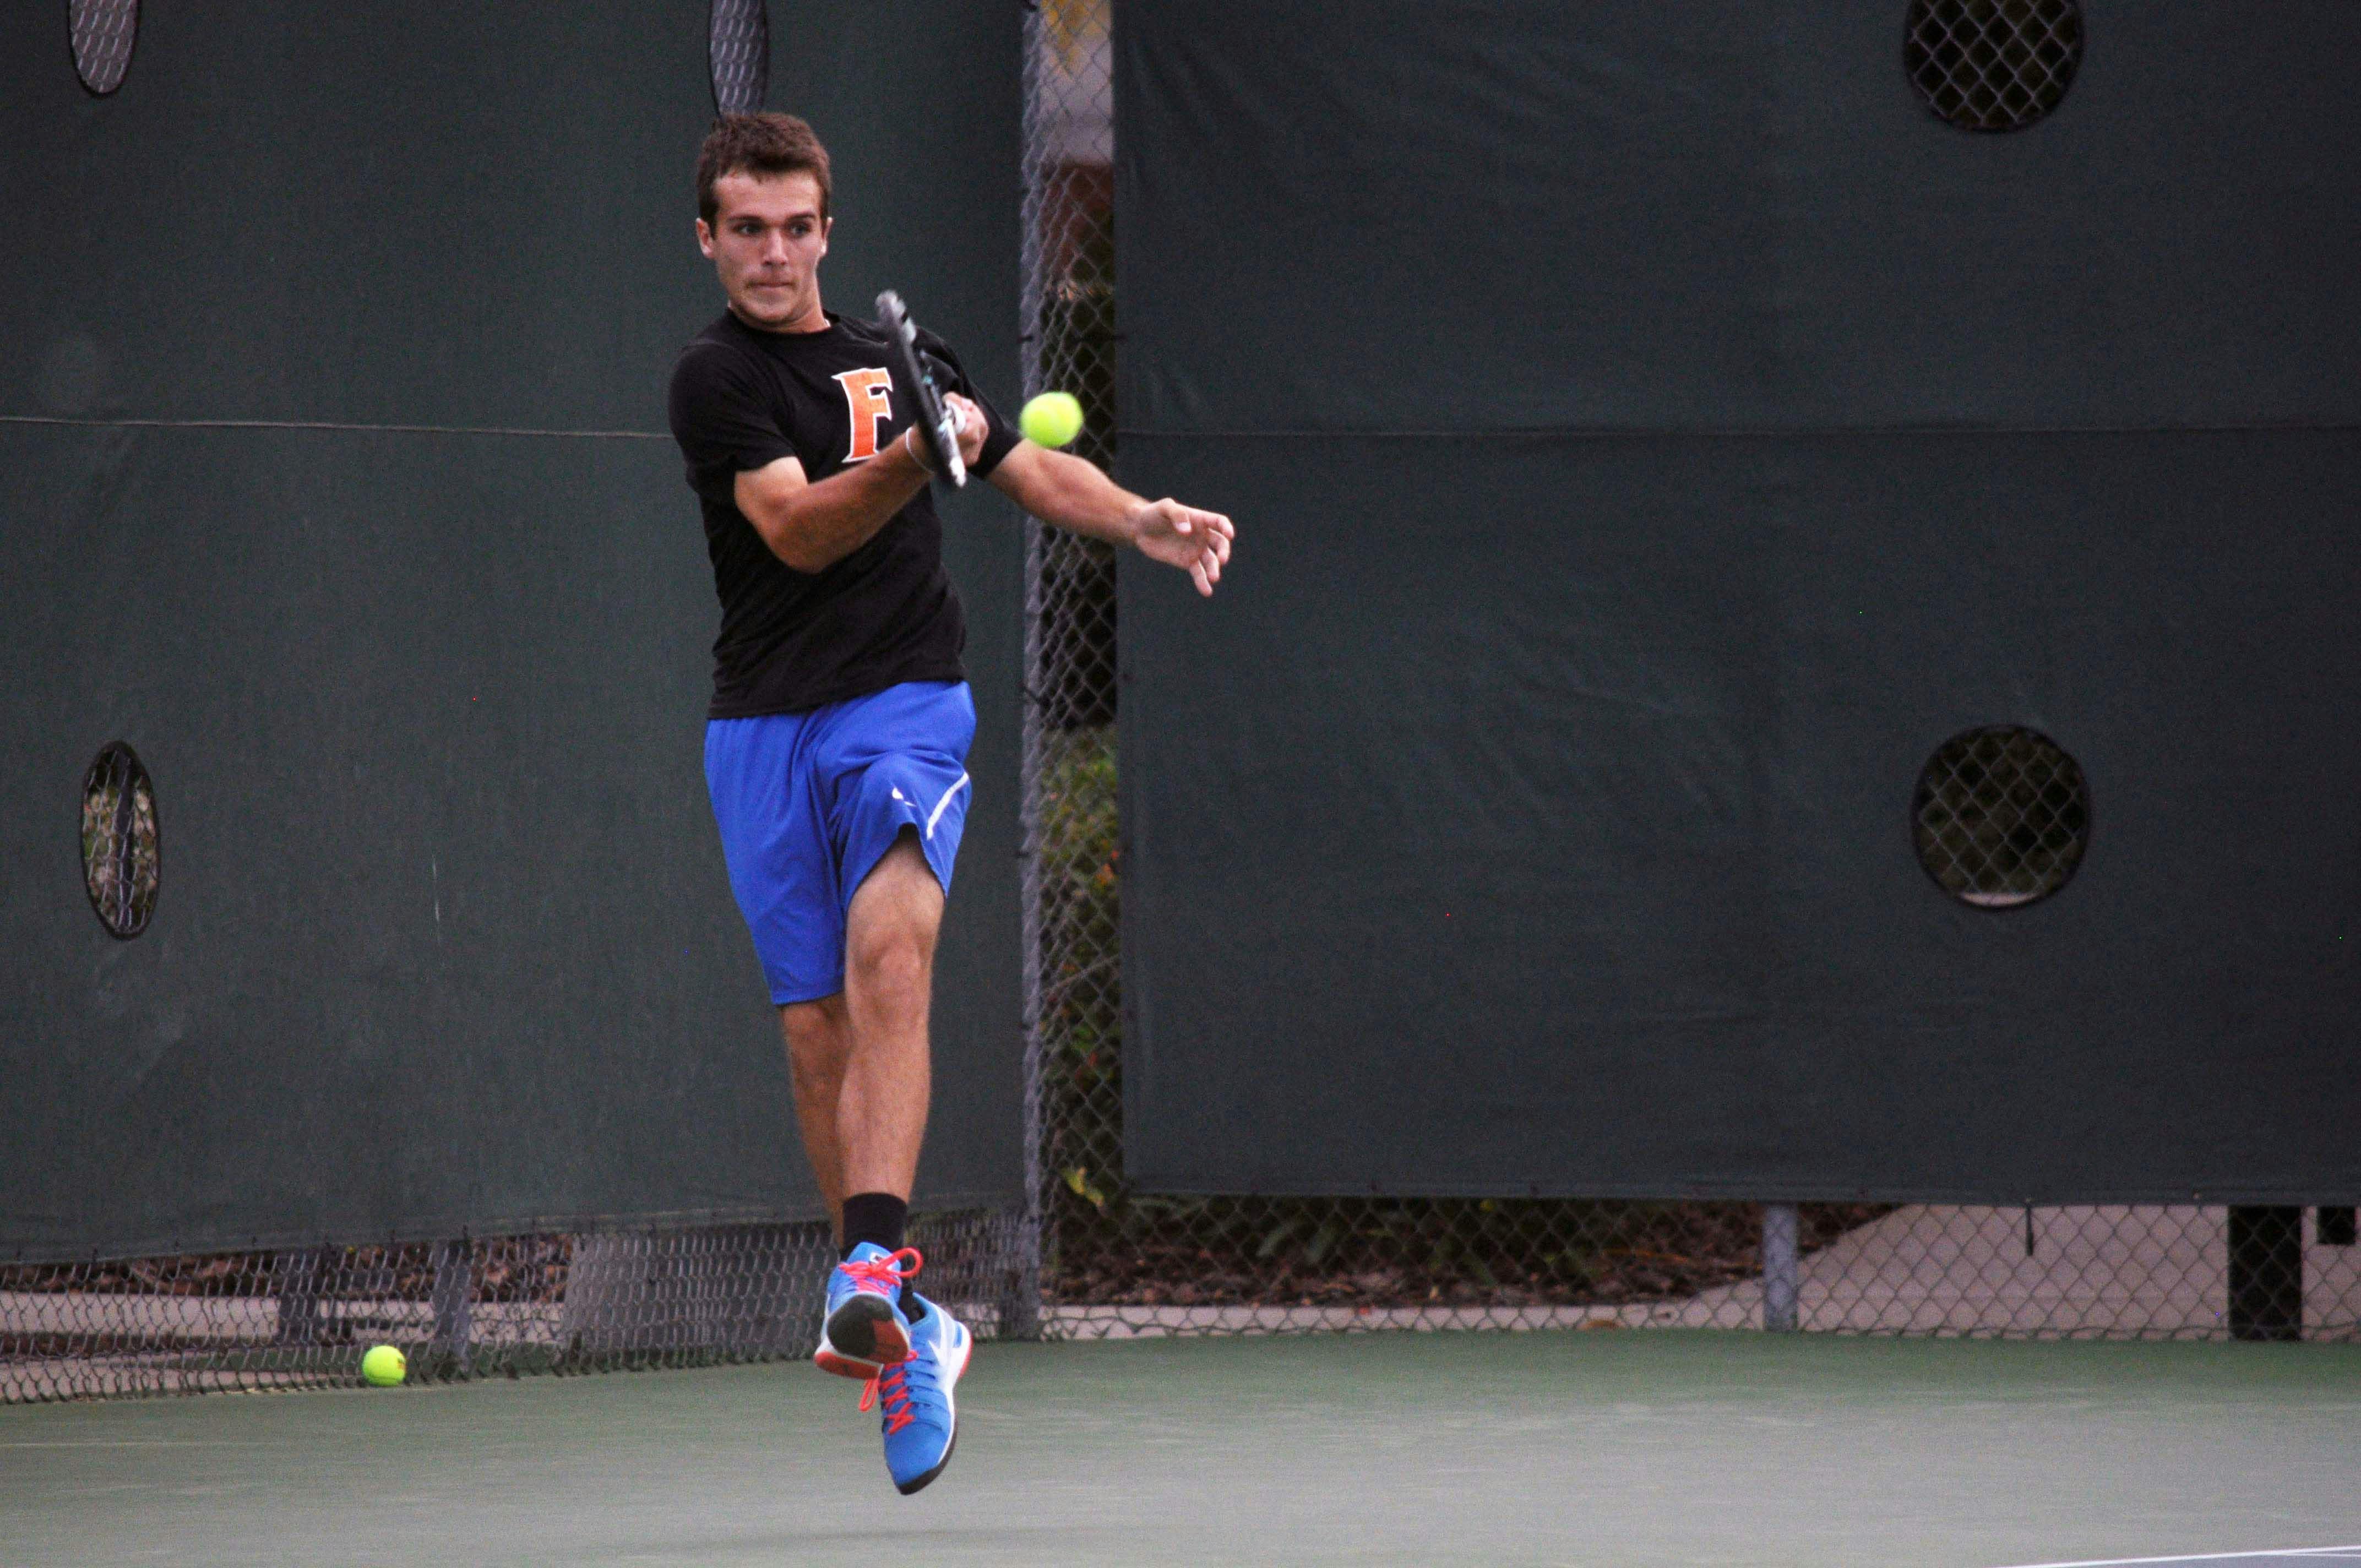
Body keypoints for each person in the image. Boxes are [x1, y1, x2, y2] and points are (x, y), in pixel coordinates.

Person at [666, 113, 1233, 1495]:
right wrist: (924, 450)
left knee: (889, 958)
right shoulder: (714, 380)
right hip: (760, 728)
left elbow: (1025, 467)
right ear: (708, 238)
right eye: (747, 228)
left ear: (827, 231)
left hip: (904, 704)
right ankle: (904, 1329)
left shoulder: (892, 358)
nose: (774, 252)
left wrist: (1140, 515)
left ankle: (869, 1258)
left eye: (797, 226)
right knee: (814, 1034)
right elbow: (797, 532)